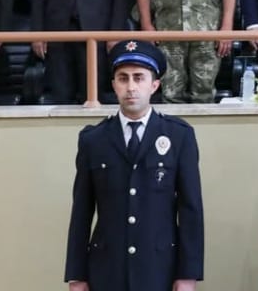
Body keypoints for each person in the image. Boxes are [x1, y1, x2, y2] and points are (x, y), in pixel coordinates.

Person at [64, 39, 204, 291]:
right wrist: (77, 275)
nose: (131, 87)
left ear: (154, 85)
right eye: (123, 78)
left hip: (159, 267)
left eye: (139, 78)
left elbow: (191, 209)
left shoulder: (179, 136)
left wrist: (188, 274)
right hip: (107, 268)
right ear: (113, 85)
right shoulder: (93, 140)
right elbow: (82, 212)